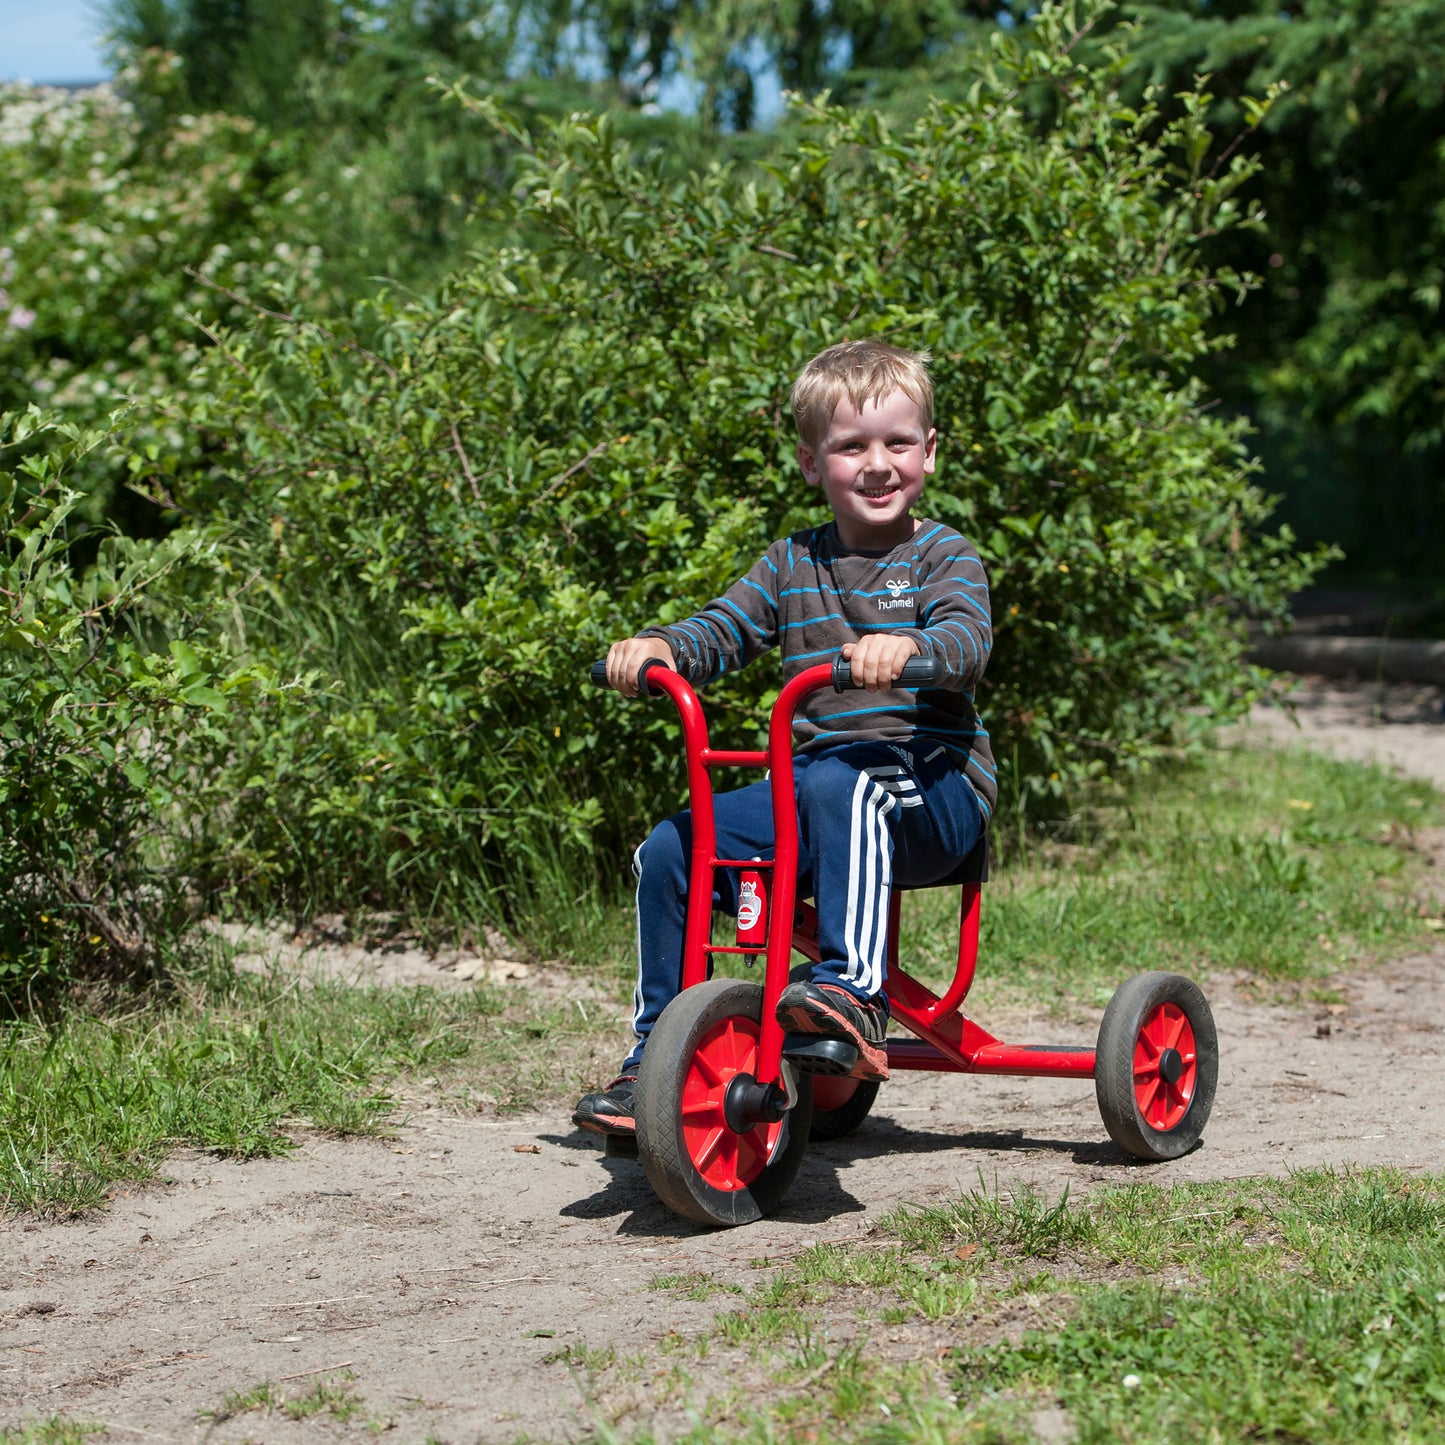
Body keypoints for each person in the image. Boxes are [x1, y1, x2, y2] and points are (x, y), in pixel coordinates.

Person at [573, 338, 996, 1138]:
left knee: (843, 786)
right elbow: (721, 629)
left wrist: (910, 651)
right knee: (671, 847)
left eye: (898, 442)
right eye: (850, 446)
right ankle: (658, 1058)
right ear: (811, 462)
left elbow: (966, 640)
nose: (877, 464)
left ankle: (850, 992)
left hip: (933, 790)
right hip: (822, 788)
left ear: (929, 452)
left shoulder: (943, 554)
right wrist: (661, 648)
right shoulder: (789, 562)